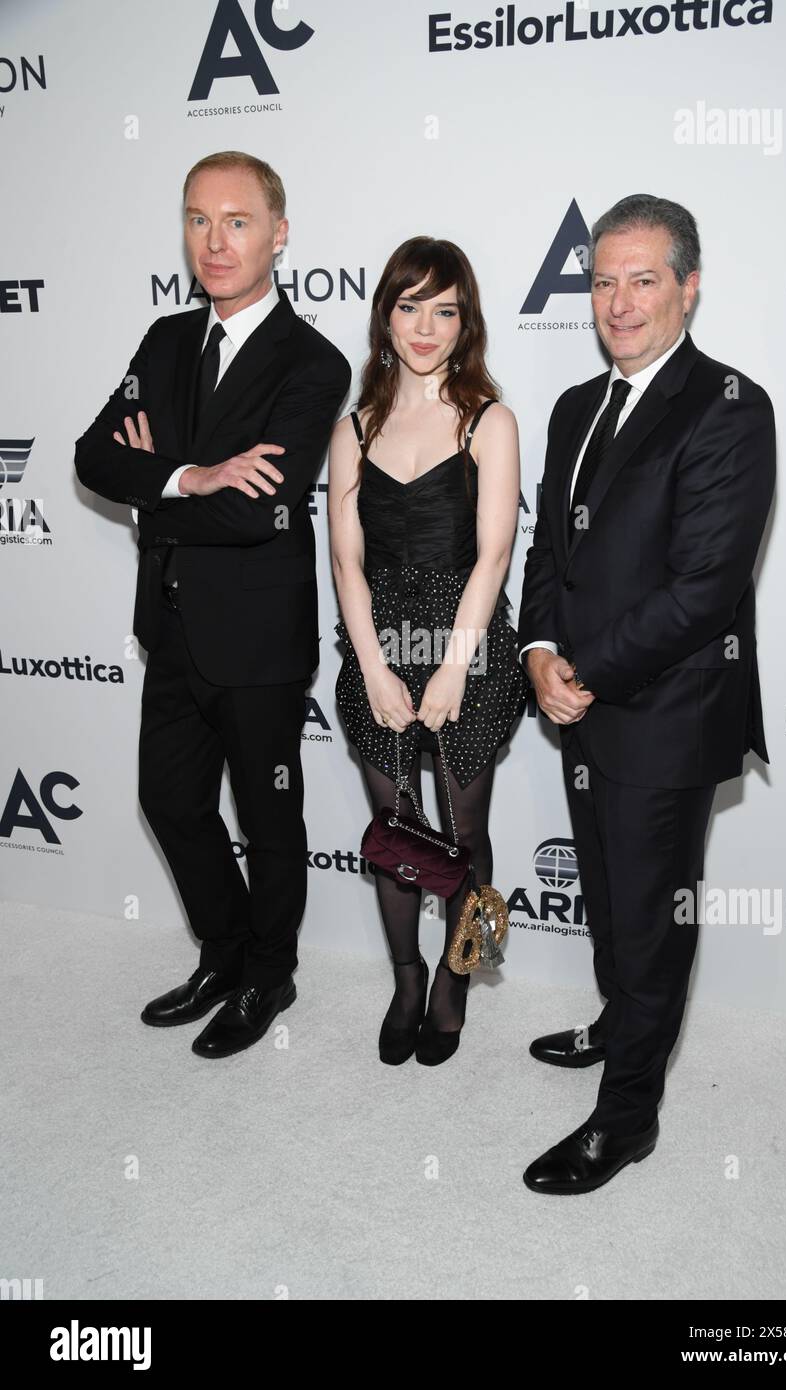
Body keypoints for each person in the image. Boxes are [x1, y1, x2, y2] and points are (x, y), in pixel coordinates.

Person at [518, 194, 775, 1193]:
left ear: (688, 286)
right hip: (578, 702)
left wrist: (576, 673)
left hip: (664, 714)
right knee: (606, 893)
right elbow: (549, 551)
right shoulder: (575, 407)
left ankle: (624, 1119)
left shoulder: (729, 408)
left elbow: (701, 589)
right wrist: (538, 647)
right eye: (602, 281)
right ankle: (617, 1025)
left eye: (642, 280)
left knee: (648, 914)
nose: (617, 303)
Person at [74, 151, 350, 1058]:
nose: (215, 241)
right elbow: (91, 459)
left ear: (280, 232)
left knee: (268, 820)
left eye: (237, 221)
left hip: (261, 641)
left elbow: (260, 510)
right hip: (173, 628)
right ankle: (225, 953)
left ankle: (272, 975)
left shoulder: (312, 363)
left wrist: (158, 484)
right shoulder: (163, 341)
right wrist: (191, 474)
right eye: (198, 219)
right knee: (170, 802)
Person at [328, 236, 529, 1066]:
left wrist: (455, 663)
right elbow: (344, 559)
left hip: (469, 648)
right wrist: (373, 665)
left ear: (465, 323)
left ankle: (456, 979)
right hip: (379, 646)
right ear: (387, 315)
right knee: (395, 828)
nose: (425, 326)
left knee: (464, 833)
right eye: (410, 305)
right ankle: (407, 979)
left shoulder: (490, 419)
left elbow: (494, 555)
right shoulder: (355, 426)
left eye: (444, 310)